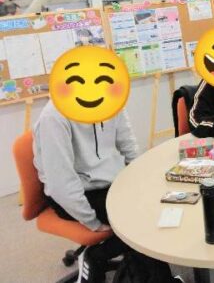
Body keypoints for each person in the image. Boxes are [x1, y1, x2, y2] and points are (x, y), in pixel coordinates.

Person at [33, 101, 181, 283]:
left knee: (160, 207)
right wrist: (92, 221)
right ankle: (102, 257)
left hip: (112, 182)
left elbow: (128, 144)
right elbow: (61, 184)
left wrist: (141, 182)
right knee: (141, 224)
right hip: (76, 195)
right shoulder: (53, 117)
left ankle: (113, 259)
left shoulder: (111, 100)